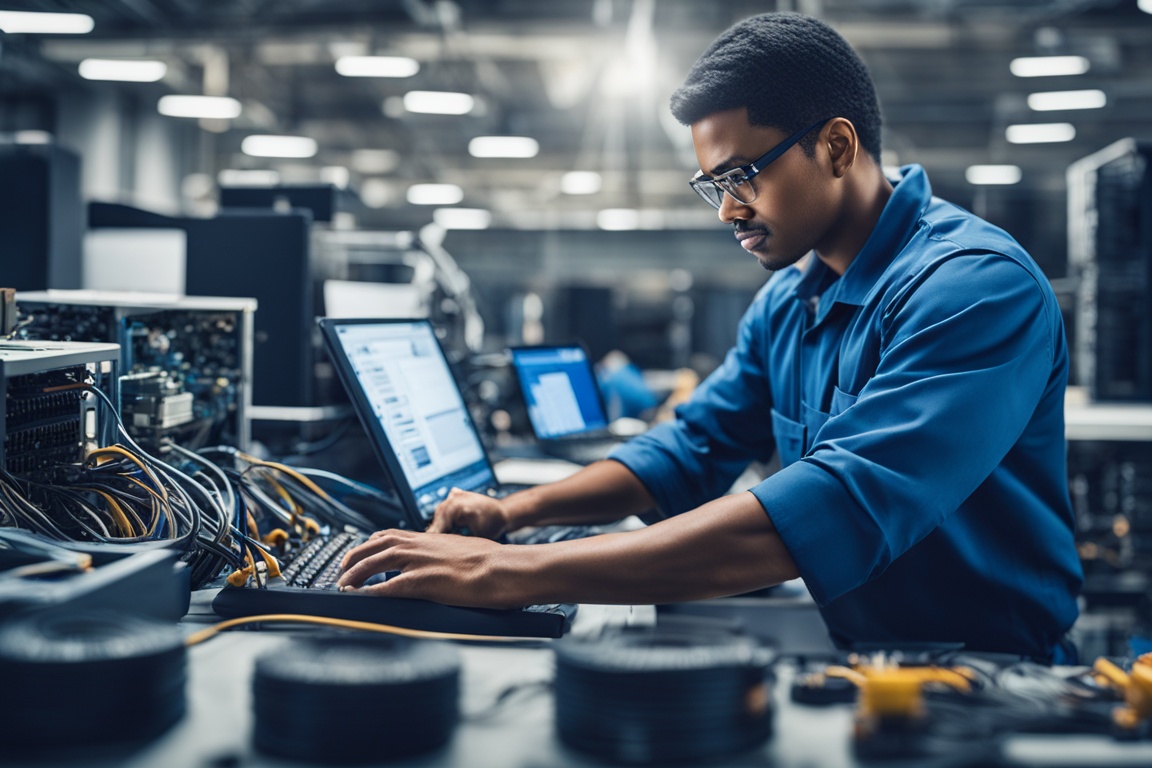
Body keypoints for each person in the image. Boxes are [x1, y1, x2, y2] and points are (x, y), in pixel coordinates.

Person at [339, 12, 1082, 662]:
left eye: (742, 176)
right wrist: (514, 512)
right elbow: (690, 449)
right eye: (713, 185)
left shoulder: (975, 289)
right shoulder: (790, 300)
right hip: (868, 657)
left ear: (836, 146)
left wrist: (498, 572)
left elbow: (833, 511)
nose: (728, 210)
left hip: (996, 674)